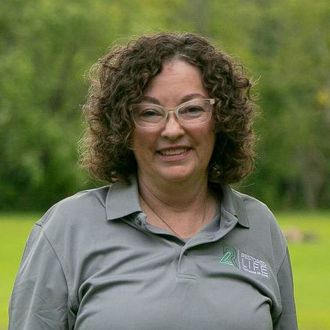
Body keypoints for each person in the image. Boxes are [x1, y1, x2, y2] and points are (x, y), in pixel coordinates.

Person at [9, 32, 298, 329]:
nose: (172, 129)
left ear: (221, 118)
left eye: (192, 109)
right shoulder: (66, 230)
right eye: (149, 112)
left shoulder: (259, 227)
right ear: (122, 126)